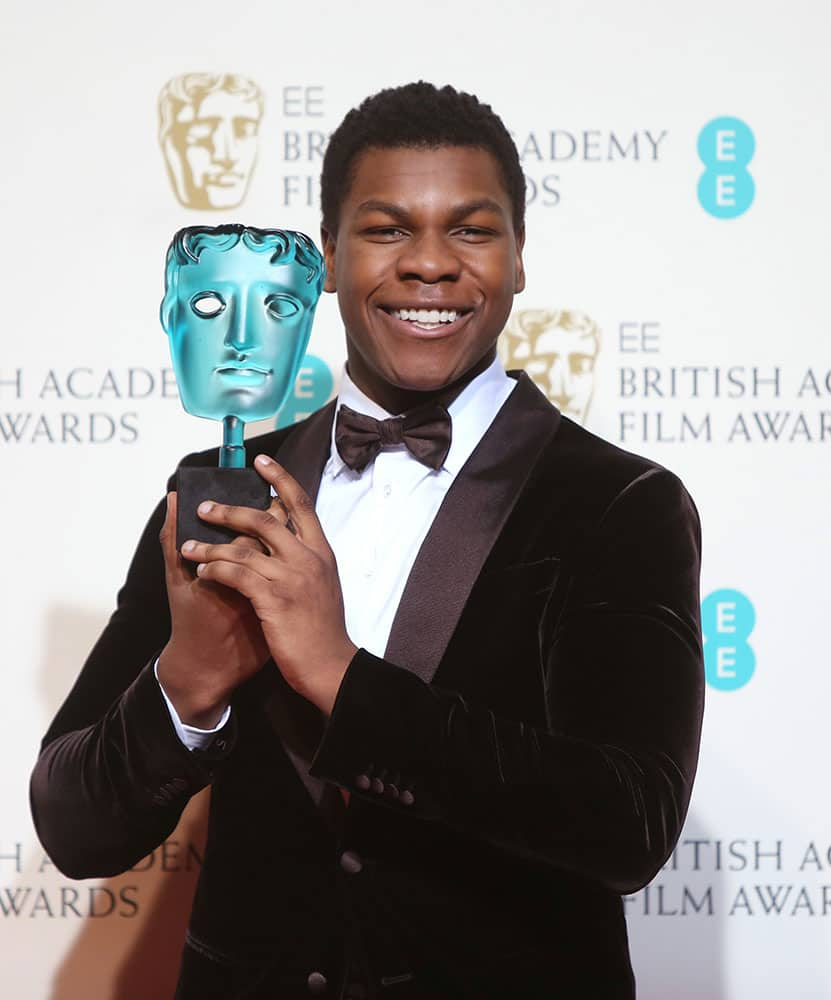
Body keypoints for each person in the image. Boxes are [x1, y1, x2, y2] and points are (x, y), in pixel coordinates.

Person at [31, 82, 704, 999]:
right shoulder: (220, 488)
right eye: (387, 230)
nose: (430, 265)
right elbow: (74, 829)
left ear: (516, 261)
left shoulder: (620, 502)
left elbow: (629, 825)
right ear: (331, 262)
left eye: (470, 230)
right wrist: (187, 685)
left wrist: (338, 675)